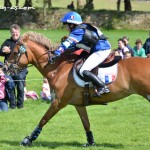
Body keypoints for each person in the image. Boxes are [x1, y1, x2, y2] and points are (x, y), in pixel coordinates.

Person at [50, 11, 111, 95]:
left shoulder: (78, 31)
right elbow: (77, 45)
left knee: (83, 70)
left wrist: (58, 52)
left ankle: (103, 87)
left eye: (66, 25)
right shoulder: (82, 27)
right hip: (100, 48)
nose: (65, 27)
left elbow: (68, 42)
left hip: (101, 50)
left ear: (71, 24)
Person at [0, 24, 28, 109]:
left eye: (16, 32)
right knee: (10, 86)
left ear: (19, 32)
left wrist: (10, 51)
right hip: (9, 69)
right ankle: (12, 106)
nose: (14, 34)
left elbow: (26, 54)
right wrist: (3, 51)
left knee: (20, 87)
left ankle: (20, 106)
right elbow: (0, 52)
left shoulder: (23, 43)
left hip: (21, 69)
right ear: (10, 33)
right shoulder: (7, 42)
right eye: (13, 32)